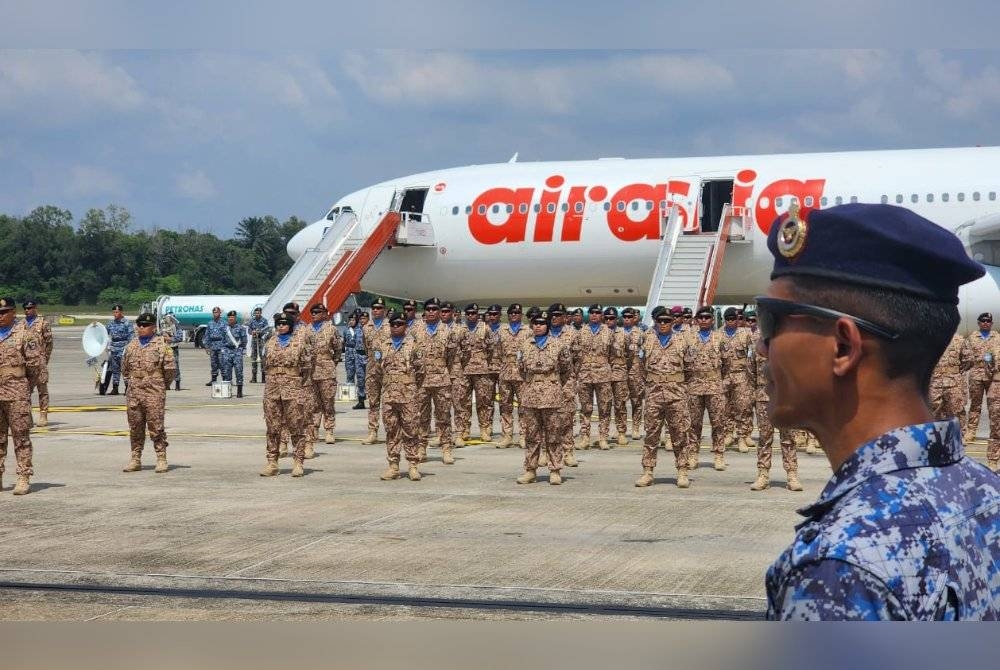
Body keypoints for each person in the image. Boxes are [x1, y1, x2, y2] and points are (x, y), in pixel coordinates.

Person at [760, 203, 1000, 620]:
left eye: (771, 321)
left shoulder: (840, 570)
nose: (762, 346)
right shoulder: (985, 493)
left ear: (843, 347)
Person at [747, 310, 802, 491]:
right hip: (763, 398)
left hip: (784, 398)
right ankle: (763, 474)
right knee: (764, 438)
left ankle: (792, 475)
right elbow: (751, 373)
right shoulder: (757, 346)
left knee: (788, 438)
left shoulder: (788, 344)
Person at [634, 311, 692, 488]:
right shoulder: (647, 340)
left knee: (679, 433)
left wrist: (677, 384)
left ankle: (682, 471)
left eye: (667, 320)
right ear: (655, 321)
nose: (664, 323)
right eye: (660, 320)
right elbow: (640, 367)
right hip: (654, 394)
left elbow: (689, 369)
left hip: (676, 394)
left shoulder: (683, 340)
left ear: (673, 321)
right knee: (651, 434)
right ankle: (648, 471)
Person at [516, 310, 573, 485]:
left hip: (551, 395)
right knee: (532, 435)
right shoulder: (525, 345)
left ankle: (555, 470)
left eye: (542, 323)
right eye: (535, 323)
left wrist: (552, 384)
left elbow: (566, 369)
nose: (538, 326)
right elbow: (520, 368)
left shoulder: (559, 345)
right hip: (531, 395)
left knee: (553, 434)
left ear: (547, 326)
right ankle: (530, 470)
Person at [121, 312, 177, 474]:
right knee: (135, 426)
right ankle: (135, 458)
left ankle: (161, 458)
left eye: (145, 325)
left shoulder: (161, 345)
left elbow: (170, 370)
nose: (141, 328)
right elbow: (124, 369)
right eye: (139, 325)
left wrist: (160, 385)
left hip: (154, 391)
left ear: (153, 327)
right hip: (134, 391)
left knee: (156, 425)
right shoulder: (131, 345)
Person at [0, 297, 43, 494]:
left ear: (13, 313)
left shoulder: (25, 335)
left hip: (17, 394)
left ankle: (23, 476)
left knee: (20, 437)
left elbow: (35, 367)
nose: (1, 316)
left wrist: (24, 387)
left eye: (4, 312)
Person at [259, 314, 310, 477]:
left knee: (296, 426)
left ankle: (298, 461)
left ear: (290, 325)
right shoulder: (270, 342)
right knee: (272, 427)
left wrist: (297, 384)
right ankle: (272, 462)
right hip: (272, 389)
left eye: (284, 323)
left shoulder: (300, 343)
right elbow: (265, 364)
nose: (281, 326)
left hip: (292, 388)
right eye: (278, 324)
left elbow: (307, 368)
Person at [377, 312, 424, 481]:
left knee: (411, 430)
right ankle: (393, 466)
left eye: (400, 324)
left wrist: (409, 386)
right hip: (389, 396)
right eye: (393, 324)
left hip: (408, 395)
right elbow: (377, 370)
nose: (396, 326)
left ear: (405, 326)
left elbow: (421, 371)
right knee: (392, 431)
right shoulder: (383, 345)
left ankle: (412, 465)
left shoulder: (413, 345)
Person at [411, 297, 455, 464]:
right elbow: (412, 354)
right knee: (421, 416)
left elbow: (451, 356)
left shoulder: (447, 331)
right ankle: (421, 448)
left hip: (441, 380)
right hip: (421, 380)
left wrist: (442, 370)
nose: (431, 312)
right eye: (428, 309)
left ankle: (446, 448)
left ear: (439, 312)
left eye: (434, 309)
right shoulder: (416, 330)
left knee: (443, 415)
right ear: (425, 311)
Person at [685, 306, 728, 471]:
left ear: (712, 320)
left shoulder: (719, 338)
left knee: (718, 423)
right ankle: (693, 454)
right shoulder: (688, 338)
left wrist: (722, 383)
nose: (704, 320)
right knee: (694, 423)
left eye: (707, 317)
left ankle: (718, 454)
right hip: (695, 387)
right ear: (696, 319)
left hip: (715, 386)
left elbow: (727, 364)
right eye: (700, 317)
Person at [577, 304, 614, 450]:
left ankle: (603, 437)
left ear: (601, 315)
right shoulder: (581, 331)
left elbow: (614, 354)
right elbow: (576, 354)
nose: (594, 315)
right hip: (585, 374)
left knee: (604, 407)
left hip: (603, 375)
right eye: (592, 312)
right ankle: (585, 437)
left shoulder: (608, 332)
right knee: (585, 408)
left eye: (597, 313)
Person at [720, 306, 755, 452]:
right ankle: (728, 433)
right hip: (724, 375)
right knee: (726, 407)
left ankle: (742, 437)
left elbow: (754, 350)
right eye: (728, 319)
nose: (730, 321)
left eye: (733, 319)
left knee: (743, 406)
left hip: (741, 375)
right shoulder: (718, 335)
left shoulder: (745, 333)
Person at [308, 303, 342, 446]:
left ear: (324, 313)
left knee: (328, 402)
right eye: (313, 312)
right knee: (314, 404)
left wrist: (331, 362)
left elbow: (338, 349)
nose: (315, 314)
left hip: (327, 370)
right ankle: (314, 430)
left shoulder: (331, 329)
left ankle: (329, 430)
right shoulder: (307, 330)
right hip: (311, 371)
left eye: (318, 312)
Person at [496, 303, 529, 448]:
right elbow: (497, 352)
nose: (514, 315)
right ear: (508, 315)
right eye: (511, 313)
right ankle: (507, 436)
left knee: (524, 406)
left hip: (522, 373)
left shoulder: (528, 331)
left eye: (517, 313)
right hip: (505, 372)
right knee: (505, 406)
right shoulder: (502, 331)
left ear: (521, 315)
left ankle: (523, 435)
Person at [17, 300, 53, 426]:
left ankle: (43, 415)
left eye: (30, 308)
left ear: (35, 308)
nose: (27, 310)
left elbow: (49, 343)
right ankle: (28, 416)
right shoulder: (21, 324)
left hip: (39, 362)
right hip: (26, 363)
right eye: (25, 308)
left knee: (42, 389)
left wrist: (45, 359)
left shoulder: (42, 323)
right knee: (25, 391)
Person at [361, 299, 391, 443]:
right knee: (373, 402)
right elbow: (367, 348)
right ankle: (372, 431)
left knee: (389, 403)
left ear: (384, 310)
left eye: (379, 308)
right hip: (372, 369)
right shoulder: (366, 328)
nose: (375, 310)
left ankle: (391, 431)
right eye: (373, 308)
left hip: (387, 370)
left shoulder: (391, 326)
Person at [965, 312, 994, 442]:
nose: (986, 323)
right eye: (983, 321)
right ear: (978, 323)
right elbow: (965, 356)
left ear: (991, 323)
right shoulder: (971, 338)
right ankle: (971, 432)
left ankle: (995, 434)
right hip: (976, 376)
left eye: (988, 321)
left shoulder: (997, 338)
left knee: (994, 406)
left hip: (992, 377)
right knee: (975, 405)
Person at [604, 307, 630, 445]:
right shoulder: (601, 333)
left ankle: (621, 432)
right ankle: (604, 433)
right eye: (607, 318)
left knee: (620, 404)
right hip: (603, 374)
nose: (609, 321)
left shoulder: (624, 334)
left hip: (619, 374)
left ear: (616, 319)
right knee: (605, 405)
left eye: (612, 318)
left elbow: (630, 356)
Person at [621, 307, 646, 441]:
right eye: (625, 317)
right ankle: (622, 429)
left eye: (630, 317)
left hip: (636, 370)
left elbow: (646, 352)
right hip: (620, 370)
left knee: (636, 401)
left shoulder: (641, 333)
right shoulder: (617, 333)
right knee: (620, 401)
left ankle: (636, 428)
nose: (627, 319)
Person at [106, 303, 135, 395]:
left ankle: (127, 387)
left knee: (125, 369)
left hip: (124, 348)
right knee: (115, 369)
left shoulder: (127, 323)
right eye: (114, 312)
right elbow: (103, 332)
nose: (115, 314)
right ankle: (115, 387)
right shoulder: (111, 323)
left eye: (117, 312)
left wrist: (129, 348)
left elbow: (131, 336)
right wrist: (96, 327)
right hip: (114, 348)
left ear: (121, 312)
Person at [220, 310, 248, 398]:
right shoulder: (225, 328)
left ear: (235, 318)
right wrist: (223, 350)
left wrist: (240, 349)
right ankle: (227, 392)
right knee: (227, 372)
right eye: (229, 317)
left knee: (239, 371)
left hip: (237, 352)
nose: (230, 319)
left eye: (232, 317)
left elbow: (244, 340)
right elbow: (222, 340)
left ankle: (239, 392)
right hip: (227, 351)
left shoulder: (241, 328)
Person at [202, 306, 226, 386]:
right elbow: (207, 335)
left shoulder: (224, 323)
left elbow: (227, 335)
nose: (215, 314)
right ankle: (213, 380)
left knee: (222, 363)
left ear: (220, 313)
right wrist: (206, 346)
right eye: (214, 312)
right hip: (213, 346)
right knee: (213, 364)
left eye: (217, 312)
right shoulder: (210, 323)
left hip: (221, 345)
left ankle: (225, 380)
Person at [247, 307, 269, 384]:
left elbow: (267, 329)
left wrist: (260, 331)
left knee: (263, 358)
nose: (257, 314)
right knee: (254, 359)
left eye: (258, 313)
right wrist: (252, 332)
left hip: (261, 341)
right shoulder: (252, 320)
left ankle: (263, 378)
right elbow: (249, 329)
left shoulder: (264, 320)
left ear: (261, 313)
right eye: (256, 313)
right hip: (254, 341)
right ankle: (254, 377)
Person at [353, 311, 369, 409]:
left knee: (370, 380)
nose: (362, 321)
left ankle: (373, 400)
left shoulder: (371, 329)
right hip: (358, 356)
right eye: (361, 319)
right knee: (360, 379)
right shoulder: (357, 329)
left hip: (368, 356)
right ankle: (361, 401)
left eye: (364, 319)